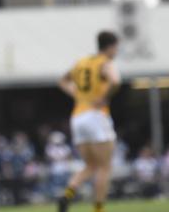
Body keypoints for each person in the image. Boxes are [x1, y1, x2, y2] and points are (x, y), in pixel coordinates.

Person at [57, 31, 121, 212]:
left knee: (91, 165)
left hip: (77, 117)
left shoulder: (81, 62)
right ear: (110, 47)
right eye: (116, 48)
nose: (116, 52)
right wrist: (104, 97)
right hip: (96, 115)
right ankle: (99, 209)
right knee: (104, 167)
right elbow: (115, 81)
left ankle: (67, 194)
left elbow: (62, 81)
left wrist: (76, 94)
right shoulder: (104, 63)